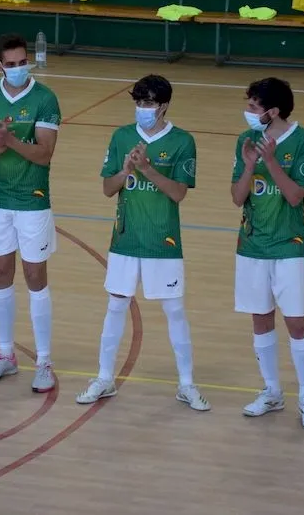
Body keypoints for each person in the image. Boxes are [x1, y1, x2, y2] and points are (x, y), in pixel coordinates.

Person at [75, 75, 210, 411]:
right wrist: (123, 172)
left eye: (148, 103)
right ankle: (104, 378)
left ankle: (187, 384)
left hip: (163, 242)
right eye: (138, 102)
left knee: (174, 310)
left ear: (164, 105)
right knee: (116, 305)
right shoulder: (121, 136)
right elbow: (108, 189)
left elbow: (179, 193)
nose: (142, 108)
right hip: (125, 239)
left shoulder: (182, 141)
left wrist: (147, 168)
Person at [0, 33, 61, 393]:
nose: (19, 68)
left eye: (24, 62)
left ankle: (44, 362)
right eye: (12, 64)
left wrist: (9, 141)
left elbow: (44, 153)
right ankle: (5, 355)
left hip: (33, 202)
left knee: (35, 277)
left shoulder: (45, 98)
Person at [231, 77, 304, 430]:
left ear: (274, 111)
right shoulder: (245, 140)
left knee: (296, 322)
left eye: (254, 107)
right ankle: (271, 391)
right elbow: (238, 197)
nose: (248, 113)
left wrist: (270, 162)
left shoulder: (303, 141)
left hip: (289, 246)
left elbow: (296, 195)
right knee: (260, 318)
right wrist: (251, 164)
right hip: (251, 245)